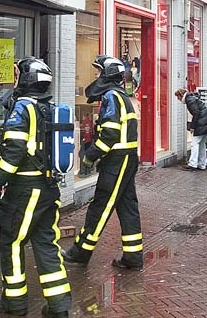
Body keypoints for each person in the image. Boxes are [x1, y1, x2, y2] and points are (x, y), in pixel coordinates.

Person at [0, 57, 71, 318]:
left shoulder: (22, 108)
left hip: (24, 190)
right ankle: (58, 306)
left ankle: (14, 303)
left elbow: (14, 149)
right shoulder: (49, 108)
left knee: (11, 242)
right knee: (46, 243)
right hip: (48, 189)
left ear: (26, 80)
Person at [62, 55, 143, 271]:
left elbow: (109, 133)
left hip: (117, 161)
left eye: (99, 71)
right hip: (126, 159)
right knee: (127, 206)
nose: (96, 75)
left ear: (107, 74)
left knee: (101, 206)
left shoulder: (111, 97)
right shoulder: (121, 96)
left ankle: (81, 252)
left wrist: (91, 155)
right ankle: (133, 256)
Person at [175, 88, 207, 171]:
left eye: (178, 98)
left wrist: (192, 127)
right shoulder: (193, 97)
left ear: (180, 95)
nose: (178, 100)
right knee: (202, 144)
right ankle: (202, 164)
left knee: (194, 143)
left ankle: (192, 164)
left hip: (202, 123)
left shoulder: (189, 100)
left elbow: (196, 113)